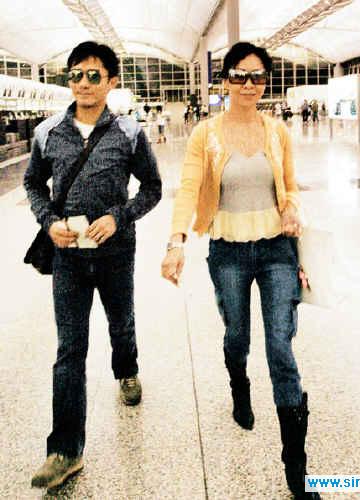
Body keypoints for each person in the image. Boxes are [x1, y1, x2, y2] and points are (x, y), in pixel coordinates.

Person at [161, 41, 319, 499]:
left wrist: (291, 208)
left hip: (277, 251)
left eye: (257, 76)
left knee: (280, 347)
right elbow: (188, 188)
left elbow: (290, 185)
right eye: (239, 75)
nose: (248, 84)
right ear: (225, 80)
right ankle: (239, 384)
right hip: (228, 252)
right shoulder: (205, 134)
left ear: (265, 81)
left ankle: (296, 466)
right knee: (237, 336)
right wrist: (176, 242)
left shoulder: (277, 131)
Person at [24, 41, 162, 490]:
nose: (83, 83)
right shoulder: (48, 132)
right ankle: (65, 450)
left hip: (115, 253)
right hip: (68, 257)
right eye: (76, 75)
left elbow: (152, 188)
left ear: (111, 82)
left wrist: (118, 216)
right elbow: (33, 185)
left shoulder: (128, 132)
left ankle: (127, 370)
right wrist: (48, 222)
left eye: (93, 75)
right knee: (70, 349)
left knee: (121, 322)